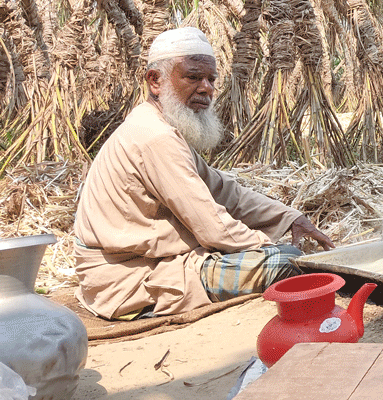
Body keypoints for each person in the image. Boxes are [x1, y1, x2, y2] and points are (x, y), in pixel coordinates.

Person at [73, 27, 335, 319]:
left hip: (151, 265)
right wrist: (268, 245)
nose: (206, 88)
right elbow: (212, 227)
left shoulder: (163, 128)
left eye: (211, 79)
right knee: (286, 263)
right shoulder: (154, 137)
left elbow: (226, 192)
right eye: (193, 77)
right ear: (155, 80)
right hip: (129, 279)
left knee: (283, 258)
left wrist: (290, 217)